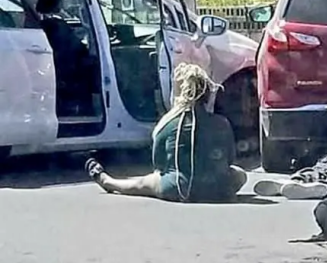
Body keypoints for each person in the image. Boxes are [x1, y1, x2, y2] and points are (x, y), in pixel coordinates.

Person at [84, 63, 249, 203]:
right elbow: (229, 159)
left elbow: (159, 164)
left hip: (177, 188)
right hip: (220, 191)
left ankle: (110, 182)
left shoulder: (167, 124)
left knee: (147, 181)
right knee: (240, 174)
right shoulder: (222, 123)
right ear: (207, 95)